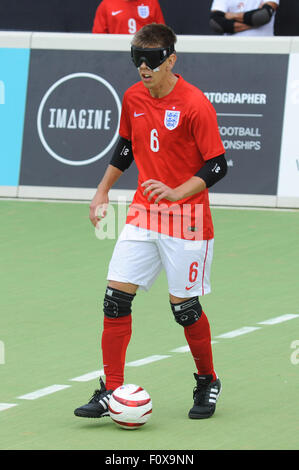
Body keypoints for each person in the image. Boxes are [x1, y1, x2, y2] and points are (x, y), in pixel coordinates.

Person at [74, 23, 227, 421]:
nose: (143, 68)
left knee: (185, 310)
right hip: (144, 213)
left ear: (171, 59)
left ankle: (208, 380)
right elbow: (126, 147)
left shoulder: (195, 104)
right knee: (114, 299)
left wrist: (178, 192)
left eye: (152, 60)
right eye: (136, 60)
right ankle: (110, 389)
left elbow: (217, 164)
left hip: (188, 219)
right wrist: (102, 190)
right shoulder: (133, 97)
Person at [92, 0, 165, 34]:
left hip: (145, 54)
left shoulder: (152, 2)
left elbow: (161, 34)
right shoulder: (106, 4)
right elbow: (98, 36)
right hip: (116, 54)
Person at [209, 0, 279, 36]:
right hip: (230, 49)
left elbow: (263, 16)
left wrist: (232, 15)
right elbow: (216, 23)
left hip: (262, 48)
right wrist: (255, 22)